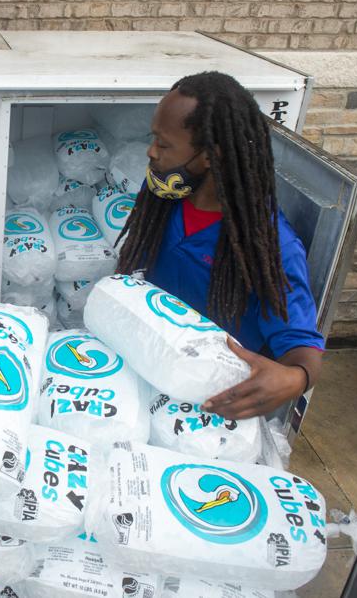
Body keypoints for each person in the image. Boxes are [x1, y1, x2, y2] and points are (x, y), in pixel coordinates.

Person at [116, 71, 323, 420]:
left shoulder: (270, 247)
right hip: (148, 369)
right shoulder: (166, 197)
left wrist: (293, 379)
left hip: (206, 405)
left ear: (212, 155)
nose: (151, 152)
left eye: (164, 145)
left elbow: (303, 352)